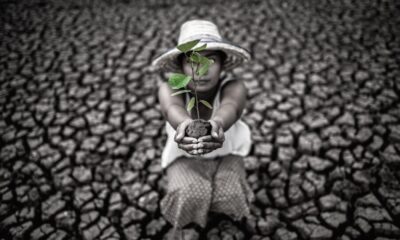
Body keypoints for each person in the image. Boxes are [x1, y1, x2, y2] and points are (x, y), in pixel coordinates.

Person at [152, 19, 255, 239]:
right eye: (192, 61)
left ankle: (224, 220)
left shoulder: (234, 86)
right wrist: (185, 126)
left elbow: (231, 107)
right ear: (181, 67)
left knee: (229, 192)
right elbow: (172, 108)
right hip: (184, 156)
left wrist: (216, 124)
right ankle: (191, 224)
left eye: (210, 59)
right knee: (189, 193)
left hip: (226, 155)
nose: (201, 69)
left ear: (223, 63)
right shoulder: (171, 87)